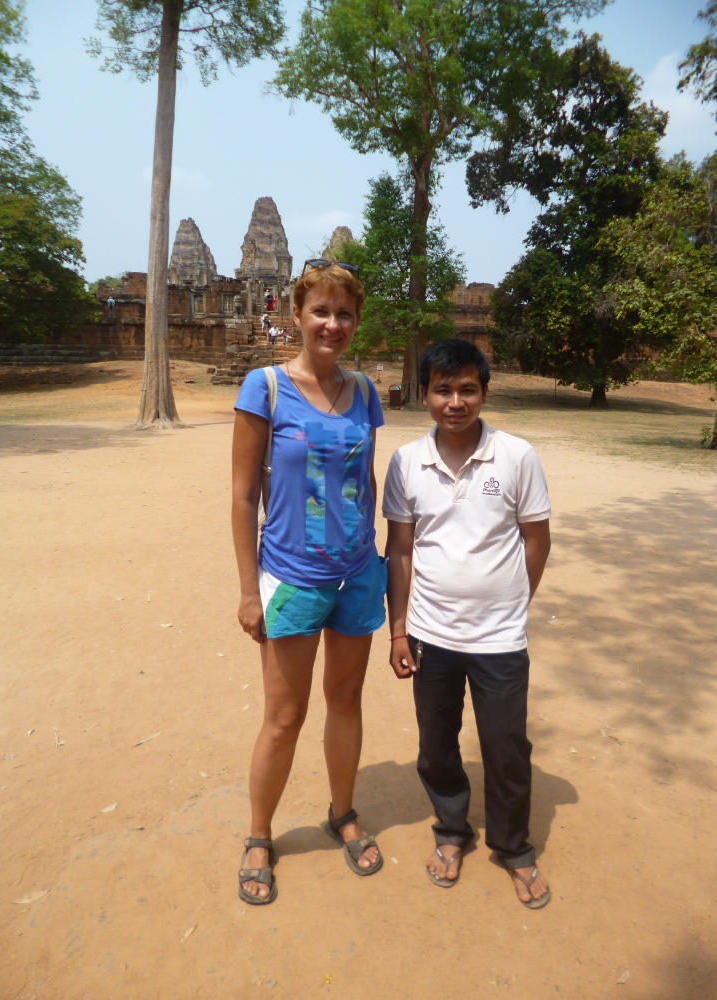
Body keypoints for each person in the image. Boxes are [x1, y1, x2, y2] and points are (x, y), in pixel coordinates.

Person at [231, 259, 387, 905]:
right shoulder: (265, 387)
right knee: (284, 716)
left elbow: (366, 480)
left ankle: (342, 812)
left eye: (344, 313)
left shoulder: (367, 393)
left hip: (356, 575)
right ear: (295, 314)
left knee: (346, 700)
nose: (332, 323)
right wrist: (249, 591)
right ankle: (259, 835)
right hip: (293, 577)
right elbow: (243, 497)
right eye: (321, 310)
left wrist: (374, 558)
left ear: (355, 322)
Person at [382, 339, 552, 908]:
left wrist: (514, 602)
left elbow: (536, 539)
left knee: (506, 746)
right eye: (443, 390)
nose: (455, 402)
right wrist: (399, 629)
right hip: (430, 633)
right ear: (424, 393)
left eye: (467, 390)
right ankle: (452, 829)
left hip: (499, 637)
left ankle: (513, 846)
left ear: (484, 393)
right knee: (435, 744)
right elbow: (400, 550)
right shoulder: (407, 461)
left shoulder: (516, 456)